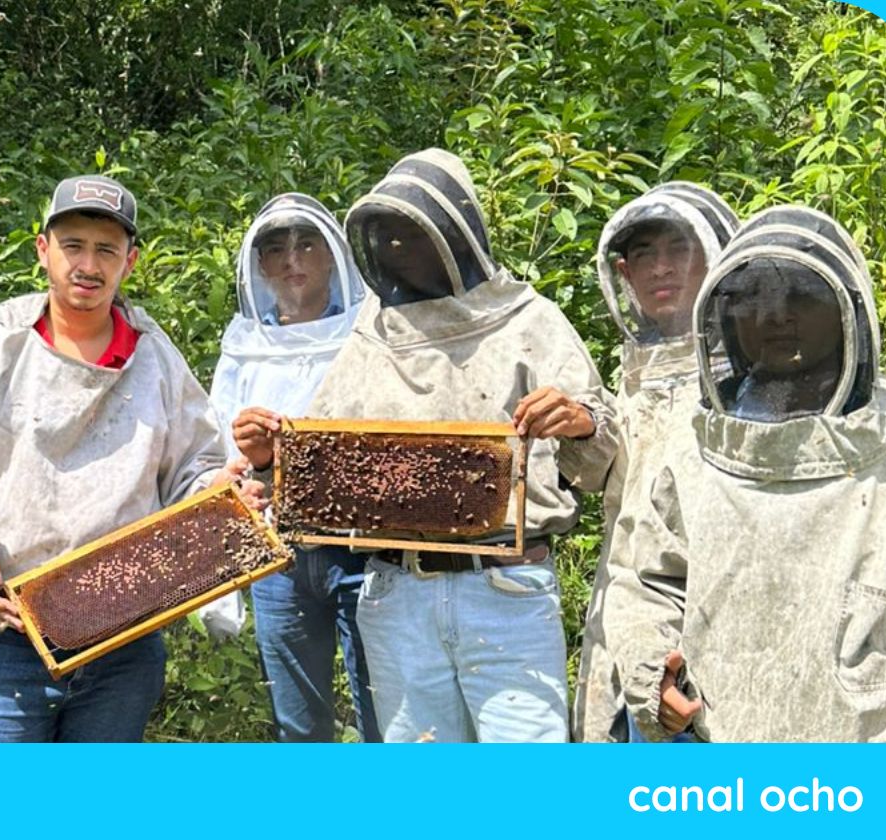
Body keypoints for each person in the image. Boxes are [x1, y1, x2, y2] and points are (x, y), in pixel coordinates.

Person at [239, 149, 618, 742]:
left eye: (413, 234)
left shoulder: (528, 320)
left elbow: (600, 466)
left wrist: (579, 423)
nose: (398, 251)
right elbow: (315, 470)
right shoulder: (374, 334)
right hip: (396, 594)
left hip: (505, 589)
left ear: (456, 232)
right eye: (386, 237)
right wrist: (270, 456)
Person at [0, 174, 257, 742]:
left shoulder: (157, 361)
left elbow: (195, 469)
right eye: (72, 245)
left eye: (106, 250)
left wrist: (222, 498)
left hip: (124, 641)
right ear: (43, 250)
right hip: (6, 638)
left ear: (131, 261)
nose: (88, 265)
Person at [611, 205, 886, 742]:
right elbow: (646, 581)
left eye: (801, 297)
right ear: (725, 317)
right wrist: (652, 677)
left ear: (847, 310)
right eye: (754, 299)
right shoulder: (691, 440)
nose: (776, 317)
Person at [569, 182, 738, 742]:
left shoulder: (755, 378)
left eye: (678, 250)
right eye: (644, 254)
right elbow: (597, 477)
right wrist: (580, 430)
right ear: (624, 273)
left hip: (710, 617)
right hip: (620, 609)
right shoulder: (633, 375)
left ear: (716, 258)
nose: (661, 268)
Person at [207, 193, 378, 742]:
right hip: (277, 553)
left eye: (307, 245)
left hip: (364, 548)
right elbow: (216, 457)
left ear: (333, 256)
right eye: (276, 249)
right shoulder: (244, 344)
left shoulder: (371, 332)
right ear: (259, 266)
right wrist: (245, 457)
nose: (292, 260)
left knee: (384, 710)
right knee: (298, 721)